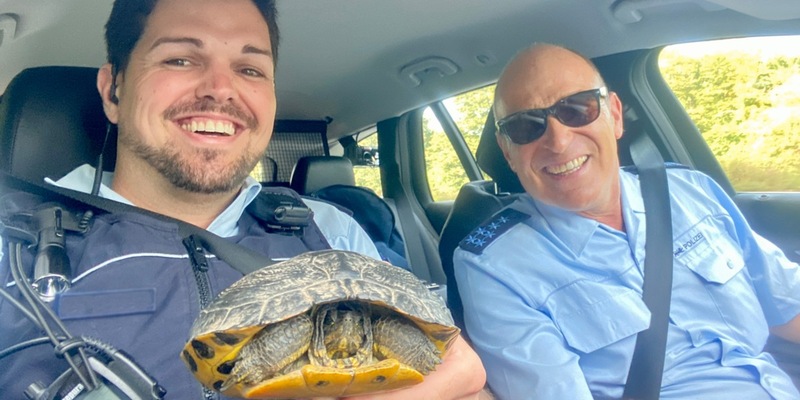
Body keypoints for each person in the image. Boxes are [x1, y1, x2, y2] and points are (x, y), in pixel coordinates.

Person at [0, 0, 486, 398]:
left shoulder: (332, 231)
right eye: (180, 59)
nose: (220, 90)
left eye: (250, 68)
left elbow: (458, 373)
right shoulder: (12, 245)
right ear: (113, 90)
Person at [452, 43, 800, 399]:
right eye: (526, 127)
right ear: (508, 150)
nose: (557, 141)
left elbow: (788, 306)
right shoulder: (495, 267)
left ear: (615, 115)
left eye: (576, 109)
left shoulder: (690, 190)